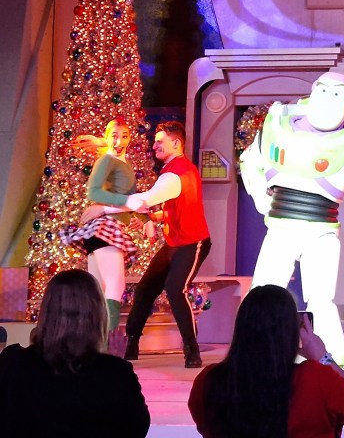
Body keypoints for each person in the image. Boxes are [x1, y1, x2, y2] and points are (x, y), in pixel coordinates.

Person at [238, 72, 344, 371]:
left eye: (337, 93)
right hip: (281, 226)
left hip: (321, 230)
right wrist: (260, 196)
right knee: (263, 291)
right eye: (323, 91)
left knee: (320, 299)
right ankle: (253, 356)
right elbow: (250, 161)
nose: (328, 99)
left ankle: (334, 361)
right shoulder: (280, 128)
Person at [188, 284, 344, 438]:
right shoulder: (315, 378)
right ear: (291, 331)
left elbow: (203, 425)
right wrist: (323, 356)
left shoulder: (208, 381)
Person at [0, 269, 150, 437]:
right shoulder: (113, 371)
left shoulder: (14, 364)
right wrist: (114, 369)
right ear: (98, 313)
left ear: (47, 310)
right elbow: (135, 428)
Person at [122, 120, 212, 368]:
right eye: (155, 141)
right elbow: (173, 209)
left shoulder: (176, 173)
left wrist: (108, 203)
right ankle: (132, 343)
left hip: (193, 243)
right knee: (145, 288)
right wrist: (153, 219)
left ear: (176, 143)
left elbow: (148, 199)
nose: (154, 146)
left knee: (175, 288)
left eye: (160, 141)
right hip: (174, 244)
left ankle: (191, 350)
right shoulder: (174, 170)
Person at [59, 117, 139, 332]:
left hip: (107, 227)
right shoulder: (107, 160)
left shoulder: (122, 162)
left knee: (99, 289)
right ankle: (107, 341)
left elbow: (131, 196)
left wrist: (145, 218)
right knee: (115, 285)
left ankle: (92, 339)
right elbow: (93, 192)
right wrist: (129, 203)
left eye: (124, 136)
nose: (119, 141)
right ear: (107, 137)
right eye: (114, 136)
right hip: (106, 227)